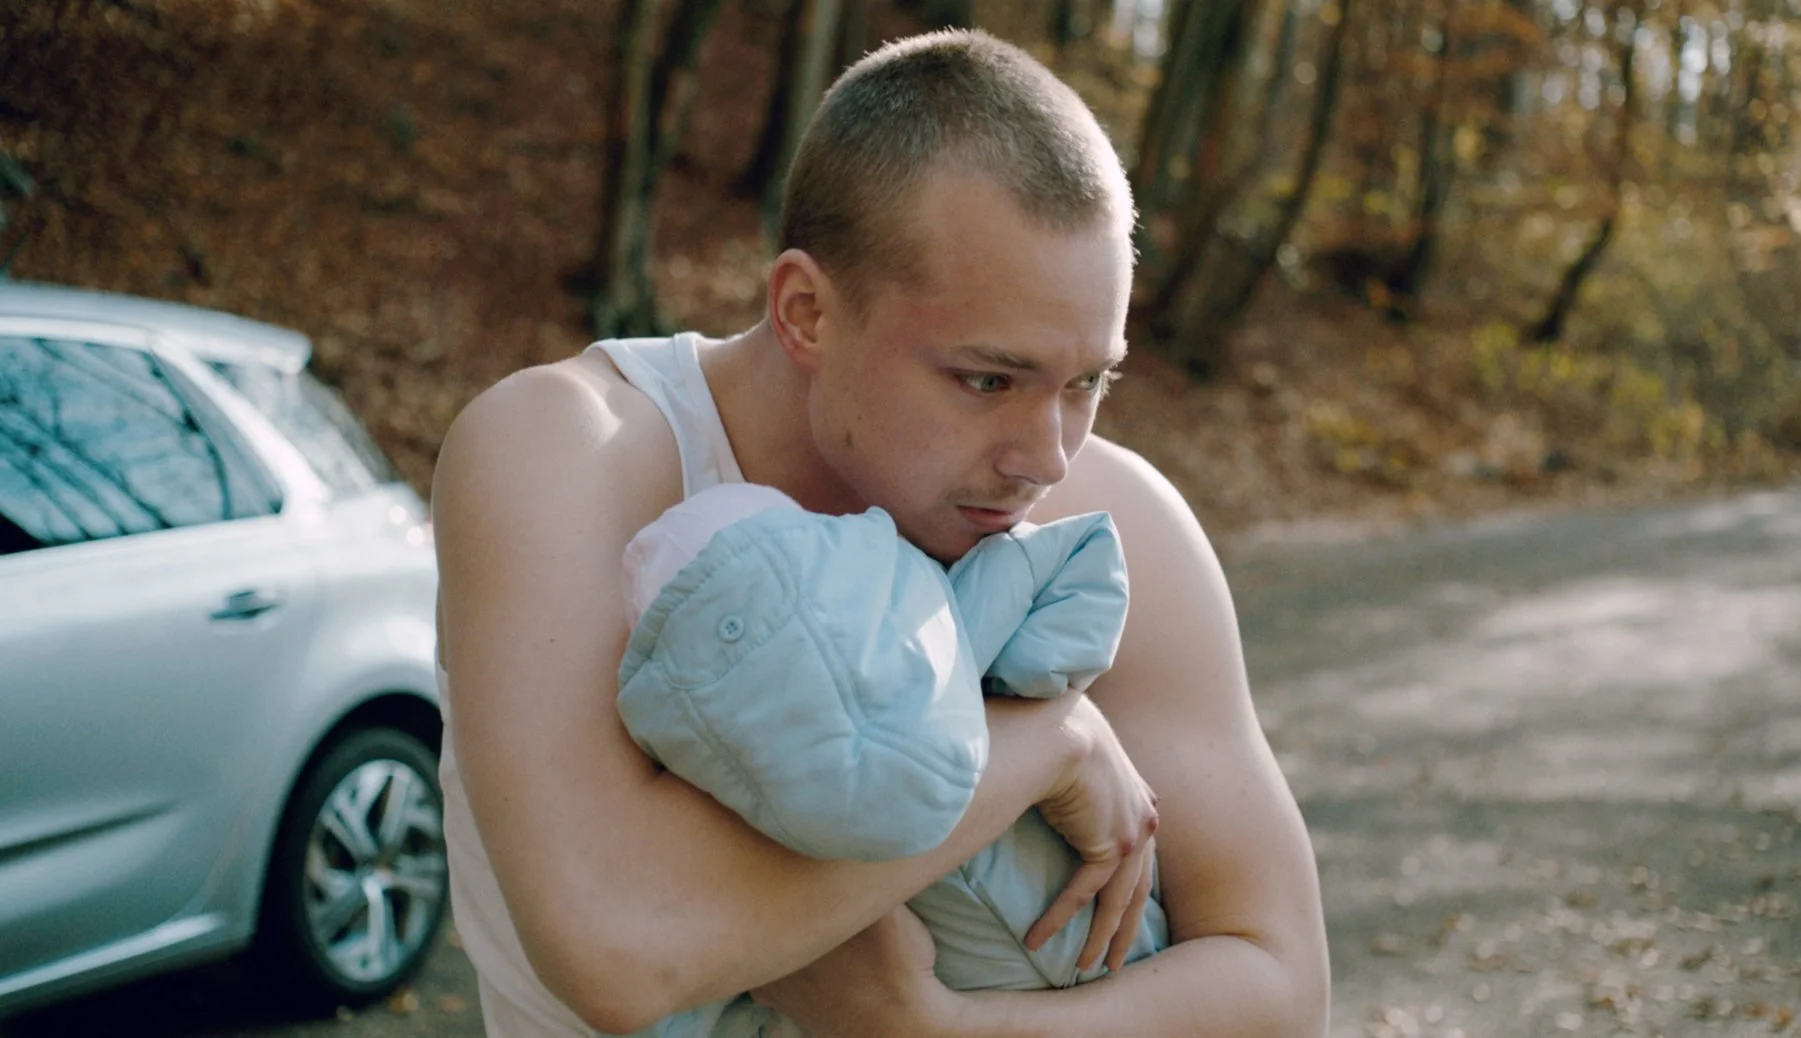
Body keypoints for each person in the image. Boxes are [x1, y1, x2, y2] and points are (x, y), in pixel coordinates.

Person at [432, 27, 1330, 1038]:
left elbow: (1281, 984)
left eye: (1088, 382)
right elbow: (619, 942)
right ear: (807, 312)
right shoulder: (573, 453)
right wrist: (1045, 742)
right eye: (987, 380)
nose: (1046, 457)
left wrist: (939, 1031)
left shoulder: (1106, 527)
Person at [611, 482, 1167, 1038]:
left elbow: (1078, 552)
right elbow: (678, 990)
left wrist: (1028, 690)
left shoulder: (940, 641)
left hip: (1126, 948)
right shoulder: (741, 829)